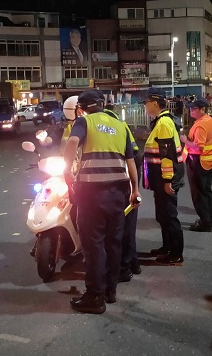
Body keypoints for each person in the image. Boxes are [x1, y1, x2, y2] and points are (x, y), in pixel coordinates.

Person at [63, 89, 141, 314]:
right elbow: (131, 161)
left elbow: (72, 143)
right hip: (119, 192)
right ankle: (110, 290)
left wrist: (67, 171)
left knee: (93, 244)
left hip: (92, 193)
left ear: (81, 107)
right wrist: (134, 189)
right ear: (102, 104)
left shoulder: (84, 122)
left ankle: (95, 296)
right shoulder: (120, 126)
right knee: (113, 243)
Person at [143, 87, 186, 264]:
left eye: (146, 103)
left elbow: (167, 154)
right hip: (161, 178)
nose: (145, 107)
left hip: (165, 178)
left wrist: (168, 180)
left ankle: (175, 253)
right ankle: (167, 247)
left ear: (154, 103)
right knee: (162, 215)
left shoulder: (164, 124)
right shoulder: (161, 122)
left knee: (169, 215)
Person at [102, 100, 142, 281]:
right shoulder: (121, 125)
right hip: (128, 178)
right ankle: (132, 263)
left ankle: (124, 268)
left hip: (121, 181)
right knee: (128, 226)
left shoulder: (100, 128)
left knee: (120, 229)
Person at [180, 99, 212, 232]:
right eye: (190, 108)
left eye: (194, 109)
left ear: (202, 109)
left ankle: (204, 222)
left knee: (198, 193)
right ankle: (210, 219)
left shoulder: (201, 125)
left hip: (198, 161)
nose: (191, 110)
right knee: (206, 191)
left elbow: (198, 146)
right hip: (208, 162)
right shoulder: (210, 121)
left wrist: (185, 140)